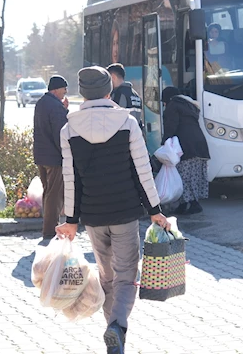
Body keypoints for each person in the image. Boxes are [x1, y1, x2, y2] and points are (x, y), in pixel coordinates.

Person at [56, 66, 170, 354]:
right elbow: (142, 170)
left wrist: (71, 220)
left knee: (107, 277)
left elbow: (71, 179)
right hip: (125, 213)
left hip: (93, 217)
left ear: (82, 93)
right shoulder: (127, 122)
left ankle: (113, 335)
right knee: (127, 275)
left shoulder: (69, 130)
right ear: (109, 91)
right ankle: (116, 328)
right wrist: (155, 209)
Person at [161, 86, 210, 215]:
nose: (164, 104)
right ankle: (184, 204)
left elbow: (171, 126)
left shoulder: (173, 106)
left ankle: (194, 204)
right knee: (194, 175)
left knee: (183, 176)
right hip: (199, 145)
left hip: (186, 146)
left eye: (164, 101)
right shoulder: (188, 106)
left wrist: (164, 143)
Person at [33, 74, 70, 239]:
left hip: (41, 155)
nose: (65, 92)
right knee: (54, 194)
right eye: (63, 89)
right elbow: (60, 132)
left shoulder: (42, 102)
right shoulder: (55, 107)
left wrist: (64, 109)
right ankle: (49, 231)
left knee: (48, 192)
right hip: (54, 157)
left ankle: (49, 226)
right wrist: (67, 154)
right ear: (56, 89)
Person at [106, 63, 142, 127]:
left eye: (108, 78)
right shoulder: (136, 95)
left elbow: (114, 120)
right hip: (135, 133)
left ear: (113, 77)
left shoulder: (118, 94)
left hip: (124, 135)